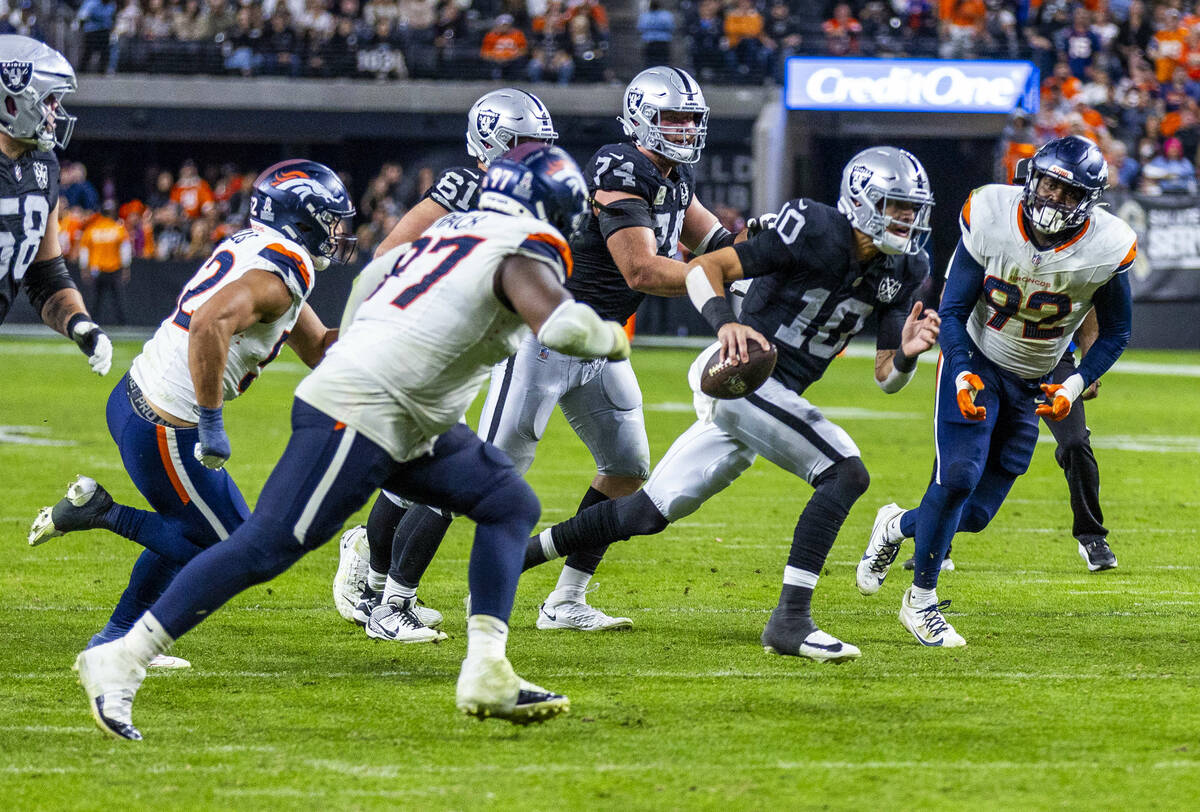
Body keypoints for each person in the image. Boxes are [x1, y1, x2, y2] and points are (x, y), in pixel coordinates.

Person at [73, 144, 632, 739]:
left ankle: (487, 671)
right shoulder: (519, 246)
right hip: (364, 409)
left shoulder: (451, 232)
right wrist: (613, 338)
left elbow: (371, 280)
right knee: (263, 545)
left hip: (412, 412)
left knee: (508, 503)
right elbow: (566, 326)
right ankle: (122, 658)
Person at [518, 146, 939, 660]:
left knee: (647, 513)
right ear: (861, 198)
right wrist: (726, 324)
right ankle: (790, 621)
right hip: (738, 377)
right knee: (845, 472)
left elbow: (886, 377)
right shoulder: (811, 227)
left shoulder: (908, 266)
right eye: (897, 205)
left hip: (772, 395)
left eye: (914, 208)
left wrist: (909, 356)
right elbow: (703, 270)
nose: (908, 219)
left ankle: (516, 557)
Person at [361, 66, 733, 639]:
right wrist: (721, 284)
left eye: (691, 119)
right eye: (672, 118)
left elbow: (717, 242)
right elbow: (642, 268)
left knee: (628, 468)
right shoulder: (619, 165)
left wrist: (767, 259)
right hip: (544, 336)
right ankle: (391, 603)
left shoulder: (673, 181)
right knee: (480, 474)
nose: (684, 130)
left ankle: (566, 601)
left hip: (601, 344)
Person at [29, 159, 353, 670]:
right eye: (332, 220)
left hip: (138, 402)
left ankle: (115, 638)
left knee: (192, 530)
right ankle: (99, 513)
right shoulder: (281, 270)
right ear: (303, 219)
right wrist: (210, 421)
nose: (338, 233)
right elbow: (208, 324)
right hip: (165, 426)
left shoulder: (263, 250)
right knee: (239, 550)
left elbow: (320, 348)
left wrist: (386, 328)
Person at [856, 135, 1134, 648]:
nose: (1054, 199)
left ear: (1089, 202)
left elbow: (1116, 331)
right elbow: (955, 309)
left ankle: (895, 527)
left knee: (977, 516)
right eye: (1049, 184)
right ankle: (920, 603)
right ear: (1032, 178)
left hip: (1036, 377)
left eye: (1070, 194)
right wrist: (961, 368)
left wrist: (1072, 383)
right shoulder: (990, 213)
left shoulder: (1107, 245)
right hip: (979, 361)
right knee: (958, 476)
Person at [330, 88, 558, 631]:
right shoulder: (465, 184)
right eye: (522, 142)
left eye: (540, 143)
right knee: (445, 471)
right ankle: (387, 600)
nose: (535, 153)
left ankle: (378, 583)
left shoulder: (528, 194)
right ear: (490, 143)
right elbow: (390, 253)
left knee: (415, 471)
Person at [0, 35, 111, 377]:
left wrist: (80, 323)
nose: (54, 112)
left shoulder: (43, 165)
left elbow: (44, 274)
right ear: (12, 102)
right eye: (48, 100)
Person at [78, 203, 132, 325]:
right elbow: (125, 250)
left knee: (96, 299)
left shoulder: (92, 229)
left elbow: (84, 251)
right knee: (117, 299)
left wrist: (84, 269)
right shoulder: (118, 229)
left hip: (97, 269)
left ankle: (91, 322)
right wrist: (126, 268)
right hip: (114, 268)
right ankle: (122, 323)